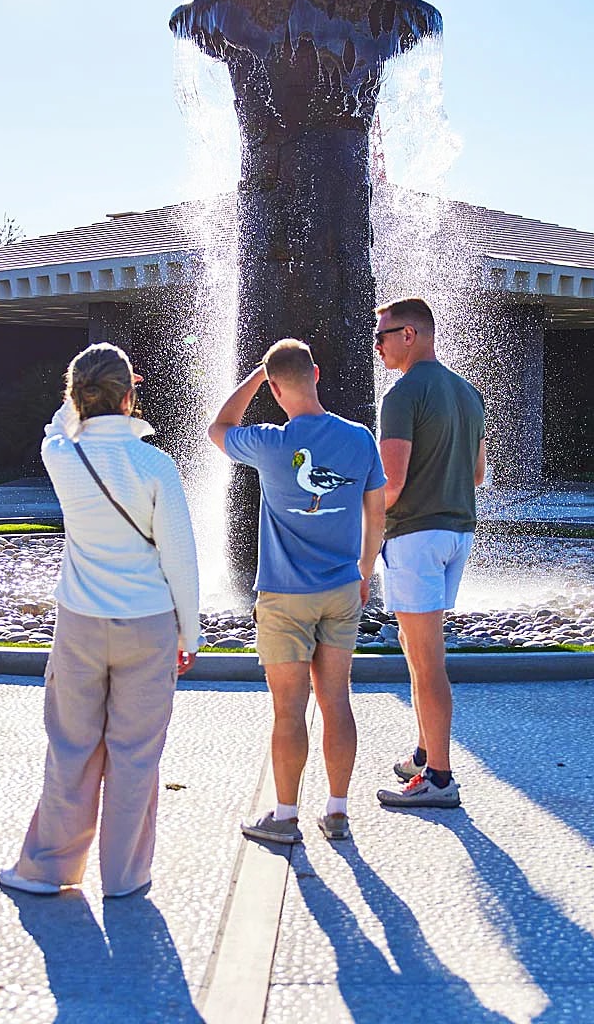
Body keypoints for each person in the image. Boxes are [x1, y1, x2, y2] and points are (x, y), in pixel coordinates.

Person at [2, 343, 200, 899]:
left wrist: (77, 403)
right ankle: (125, 876)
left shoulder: (60, 455)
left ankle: (48, 870)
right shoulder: (156, 465)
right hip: (148, 623)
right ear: (130, 395)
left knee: (71, 748)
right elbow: (180, 558)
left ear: (76, 396)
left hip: (81, 623)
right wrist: (190, 633)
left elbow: (56, 425)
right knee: (136, 756)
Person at [208, 339, 385, 843]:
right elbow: (377, 513)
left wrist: (254, 377)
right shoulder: (360, 438)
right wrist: (365, 570)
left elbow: (218, 428)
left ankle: (285, 817)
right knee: (337, 701)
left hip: (285, 596)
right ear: (317, 374)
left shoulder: (270, 442)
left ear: (275, 389)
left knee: (289, 710)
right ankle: (337, 812)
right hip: (342, 589)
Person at [371, 297, 486, 809]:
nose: (377, 346)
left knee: (427, 660)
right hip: (457, 533)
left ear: (409, 335)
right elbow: (477, 475)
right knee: (416, 647)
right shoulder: (468, 392)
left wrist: (353, 515)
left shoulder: (401, 394)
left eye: (382, 336)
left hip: (416, 534)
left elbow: (391, 485)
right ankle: (424, 752)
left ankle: (439, 778)